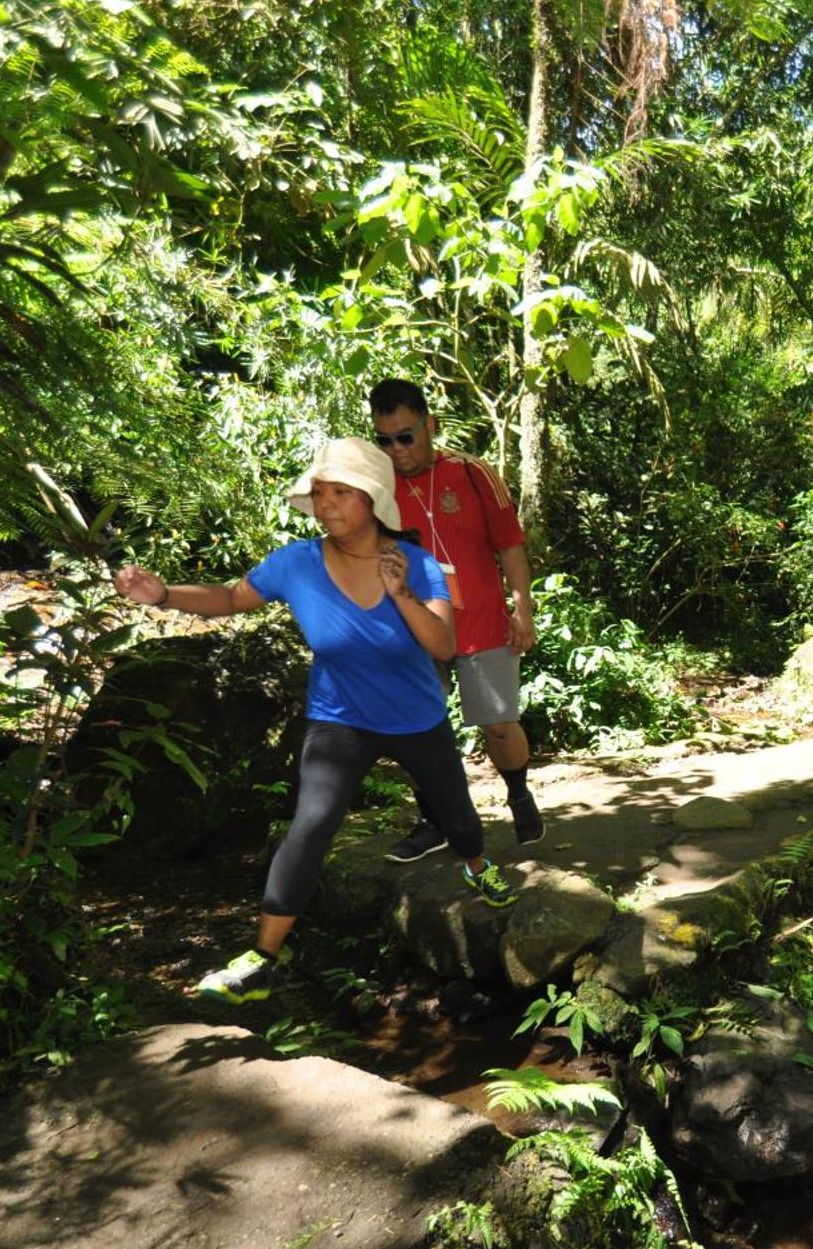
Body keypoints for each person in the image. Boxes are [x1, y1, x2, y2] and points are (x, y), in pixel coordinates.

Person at [112, 437, 512, 1006]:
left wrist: (400, 594)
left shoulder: (416, 564)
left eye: (340, 493)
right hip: (339, 719)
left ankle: (477, 865)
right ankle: (263, 958)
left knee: (458, 818)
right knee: (311, 824)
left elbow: (443, 645)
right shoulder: (296, 564)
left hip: (416, 717)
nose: (325, 504)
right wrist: (163, 594)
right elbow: (229, 598)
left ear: (372, 500)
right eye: (318, 493)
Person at [368, 379, 545, 858]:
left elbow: (510, 545)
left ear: (430, 425)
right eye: (384, 440)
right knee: (417, 726)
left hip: (482, 620)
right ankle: (434, 820)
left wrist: (522, 609)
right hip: (414, 627)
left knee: (499, 726)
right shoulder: (375, 486)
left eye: (405, 436)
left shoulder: (472, 474)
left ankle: (519, 792)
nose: (396, 450)